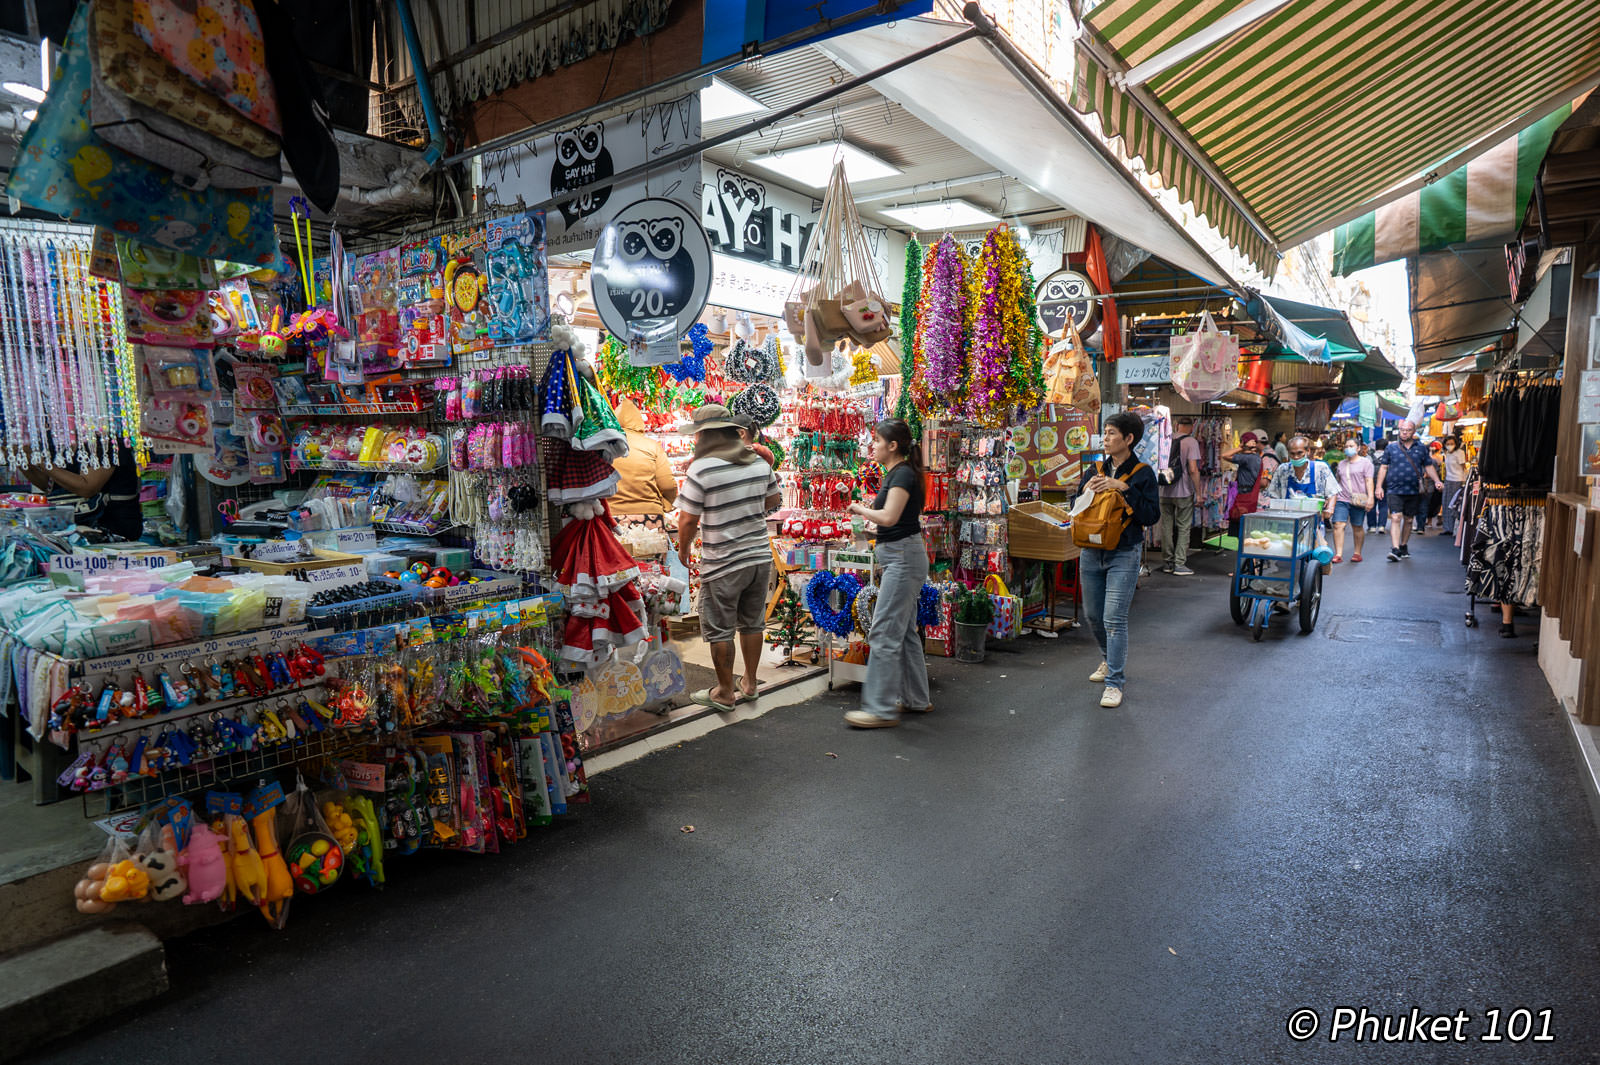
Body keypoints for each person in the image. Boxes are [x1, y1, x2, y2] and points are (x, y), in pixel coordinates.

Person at [676, 404, 781, 713]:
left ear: (706, 436)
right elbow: (774, 501)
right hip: (759, 557)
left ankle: (724, 692)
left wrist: (683, 550)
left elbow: (687, 520)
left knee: (720, 628)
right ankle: (749, 684)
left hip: (723, 561)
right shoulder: (758, 463)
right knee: (752, 623)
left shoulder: (702, 468)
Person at [842, 419, 930, 729]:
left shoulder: (902, 474)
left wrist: (860, 509)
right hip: (902, 555)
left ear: (893, 446)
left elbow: (890, 517)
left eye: (877, 441)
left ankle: (879, 708)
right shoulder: (898, 474)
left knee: (883, 630)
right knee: (903, 631)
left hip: (903, 559)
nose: (873, 445)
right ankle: (916, 698)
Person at [1074, 412, 1160, 709]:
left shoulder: (1143, 473)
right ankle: (1107, 659)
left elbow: (1151, 516)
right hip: (1090, 549)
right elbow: (1074, 506)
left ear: (1129, 439)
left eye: (1111, 433)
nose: (1106, 438)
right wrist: (1085, 492)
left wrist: (1123, 489)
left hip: (1124, 552)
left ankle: (1115, 682)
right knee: (1093, 615)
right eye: (1105, 433)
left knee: (1114, 618)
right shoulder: (1095, 469)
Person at [22, 446, 142, 541]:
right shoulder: (63, 443)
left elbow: (87, 488)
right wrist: (24, 461)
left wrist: (42, 463)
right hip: (75, 530)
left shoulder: (105, 443)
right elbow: (50, 485)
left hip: (112, 529)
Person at [1376, 420, 1445, 562]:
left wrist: (1437, 480)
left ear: (1413, 432)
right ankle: (1395, 549)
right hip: (1394, 489)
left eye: (1408, 430)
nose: (1405, 432)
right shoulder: (1391, 448)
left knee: (1408, 520)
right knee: (1395, 517)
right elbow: (1383, 467)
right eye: (1402, 430)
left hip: (1414, 490)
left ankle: (1403, 545)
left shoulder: (1421, 448)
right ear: (1399, 431)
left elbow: (1428, 466)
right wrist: (1378, 486)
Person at [610, 397, 678, 536]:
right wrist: (665, 504)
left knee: (615, 558)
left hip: (612, 517)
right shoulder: (652, 446)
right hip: (650, 518)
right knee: (651, 556)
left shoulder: (605, 447)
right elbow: (668, 485)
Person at [1157, 415, 1202, 576]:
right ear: (1191, 426)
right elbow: (1193, 469)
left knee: (1166, 526)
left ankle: (1167, 562)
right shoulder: (1191, 442)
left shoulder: (1163, 440)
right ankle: (1179, 564)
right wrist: (1199, 493)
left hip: (1163, 490)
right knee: (1183, 527)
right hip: (1183, 491)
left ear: (1176, 425)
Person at [1262, 435, 1339, 517]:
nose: (1296, 457)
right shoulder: (1283, 470)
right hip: (1287, 520)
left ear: (1308, 451)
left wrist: (1330, 509)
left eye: (1299, 453)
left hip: (1313, 520)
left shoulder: (1320, 468)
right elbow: (1273, 494)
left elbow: (1333, 492)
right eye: (1292, 454)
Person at [1331, 435, 1374, 563]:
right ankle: (1338, 554)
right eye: (1346, 447)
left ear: (1358, 448)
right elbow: (1338, 481)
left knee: (1357, 526)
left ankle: (1357, 552)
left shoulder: (1366, 463)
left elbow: (1369, 481)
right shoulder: (1341, 464)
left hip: (1358, 499)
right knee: (1338, 524)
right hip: (1342, 499)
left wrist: (1370, 497)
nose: (1348, 449)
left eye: (1351, 446)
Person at [1220, 432, 1265, 539]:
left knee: (1242, 530)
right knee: (1247, 530)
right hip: (1249, 496)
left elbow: (1224, 455)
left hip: (1244, 497)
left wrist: (1240, 447)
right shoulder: (1256, 458)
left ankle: (1246, 553)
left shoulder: (1248, 458)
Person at [1441, 436, 1470, 536]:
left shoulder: (1460, 453)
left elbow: (1464, 467)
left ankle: (1454, 528)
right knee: (1446, 504)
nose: (1449, 446)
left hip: (1458, 480)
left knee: (1454, 505)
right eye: (1447, 444)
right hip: (1448, 480)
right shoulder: (1447, 453)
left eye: (1451, 443)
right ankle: (1447, 527)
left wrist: (1465, 481)